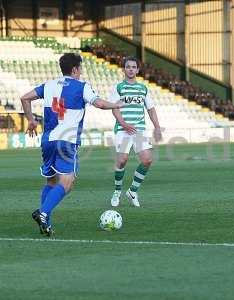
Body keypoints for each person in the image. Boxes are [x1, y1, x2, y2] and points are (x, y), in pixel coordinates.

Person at [20, 53, 126, 236]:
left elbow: (24, 98)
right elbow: (99, 104)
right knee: (67, 183)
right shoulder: (82, 87)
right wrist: (116, 105)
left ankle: (46, 223)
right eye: (81, 68)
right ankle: (43, 213)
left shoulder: (49, 85)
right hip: (66, 141)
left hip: (48, 141)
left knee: (52, 181)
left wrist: (31, 120)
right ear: (76, 69)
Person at [109, 57, 162, 208]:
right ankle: (117, 192)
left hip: (139, 130)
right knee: (122, 160)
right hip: (123, 130)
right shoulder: (118, 87)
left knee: (147, 160)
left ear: (138, 70)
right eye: (128, 67)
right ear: (124, 69)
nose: (131, 69)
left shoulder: (143, 89)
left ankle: (132, 191)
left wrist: (157, 127)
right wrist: (124, 124)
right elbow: (114, 108)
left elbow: (151, 109)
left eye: (133, 67)